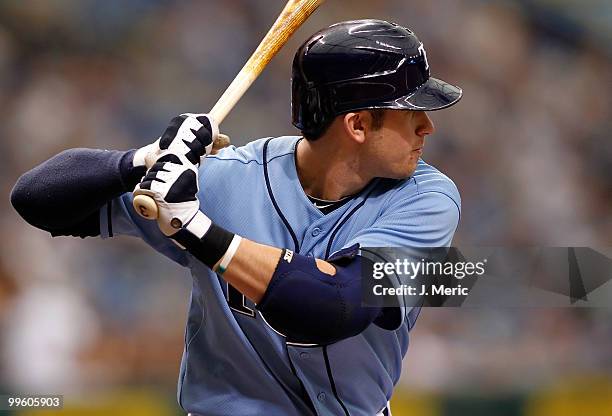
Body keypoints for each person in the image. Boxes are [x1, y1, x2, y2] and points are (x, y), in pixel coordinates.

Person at [11, 19, 462, 416]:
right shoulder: (229, 178)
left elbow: (336, 306)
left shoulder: (430, 200)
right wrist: (143, 159)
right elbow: (35, 199)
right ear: (358, 125)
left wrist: (196, 230)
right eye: (411, 111)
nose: (428, 126)